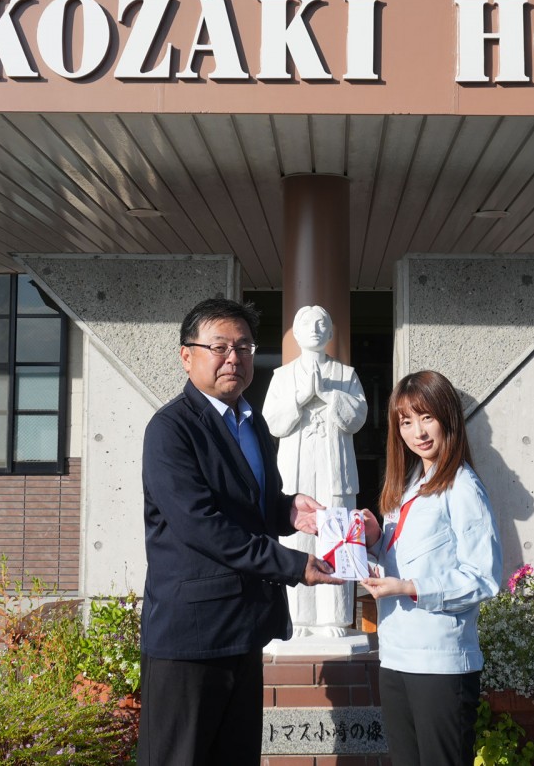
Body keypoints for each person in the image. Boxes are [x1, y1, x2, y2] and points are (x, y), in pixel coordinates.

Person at [138, 297, 343, 766]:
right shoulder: (170, 430)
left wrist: (287, 510)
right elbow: (202, 526)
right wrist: (294, 565)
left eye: (245, 347)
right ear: (187, 355)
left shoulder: (251, 422)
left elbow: (248, 506)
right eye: (220, 347)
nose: (234, 357)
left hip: (243, 629)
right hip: (189, 638)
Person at [360, 370, 502, 766]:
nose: (417, 432)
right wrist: (375, 540)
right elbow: (408, 558)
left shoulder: (463, 486)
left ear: (448, 418)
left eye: (427, 417)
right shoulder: (409, 484)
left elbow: (483, 578)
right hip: (396, 654)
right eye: (406, 421)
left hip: (440, 661)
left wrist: (408, 587)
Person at [262, 304, 368, 636]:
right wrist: (300, 397)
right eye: (308, 323)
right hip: (296, 468)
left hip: (335, 466)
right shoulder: (282, 376)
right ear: (295, 332)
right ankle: (300, 617)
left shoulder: (346, 375)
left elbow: (358, 418)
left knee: (337, 533)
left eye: (322, 323)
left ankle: (334, 616)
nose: (315, 328)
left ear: (331, 332)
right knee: (298, 536)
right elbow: (272, 422)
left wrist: (328, 395)